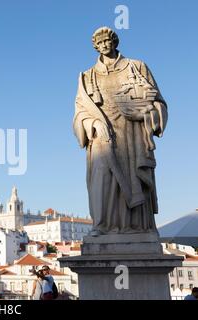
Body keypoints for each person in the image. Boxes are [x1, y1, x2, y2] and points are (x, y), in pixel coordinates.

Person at [73, 27, 168, 235]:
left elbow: (158, 103)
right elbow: (79, 113)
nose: (104, 45)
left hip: (132, 133)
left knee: (134, 177)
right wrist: (93, 124)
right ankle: (103, 225)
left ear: (115, 42)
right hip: (101, 135)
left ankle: (137, 227)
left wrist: (146, 113)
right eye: (99, 43)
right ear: (95, 47)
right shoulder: (87, 76)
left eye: (108, 40)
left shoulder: (137, 67)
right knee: (102, 179)